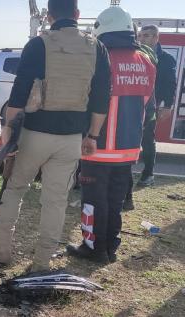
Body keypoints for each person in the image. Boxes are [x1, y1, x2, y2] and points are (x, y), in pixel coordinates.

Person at [0, 0, 111, 272]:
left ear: (49, 17)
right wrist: (93, 136)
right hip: (72, 137)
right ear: (77, 15)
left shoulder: (38, 45)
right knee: (55, 201)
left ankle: (2, 249)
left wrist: (7, 135)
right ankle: (41, 263)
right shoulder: (96, 48)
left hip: (33, 134)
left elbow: (18, 94)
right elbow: (101, 98)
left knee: (15, 188)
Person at [66, 6, 157, 264]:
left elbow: (86, 100)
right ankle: (110, 246)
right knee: (115, 200)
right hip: (129, 147)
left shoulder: (98, 58)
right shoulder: (146, 61)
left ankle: (93, 248)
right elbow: (149, 107)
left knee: (93, 200)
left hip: (98, 145)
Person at [123, 24, 177, 210]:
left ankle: (148, 174)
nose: (141, 39)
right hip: (135, 105)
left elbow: (170, 84)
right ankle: (127, 173)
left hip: (152, 106)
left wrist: (167, 106)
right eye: (139, 35)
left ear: (156, 38)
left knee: (147, 139)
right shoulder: (137, 56)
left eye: (146, 36)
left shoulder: (166, 59)